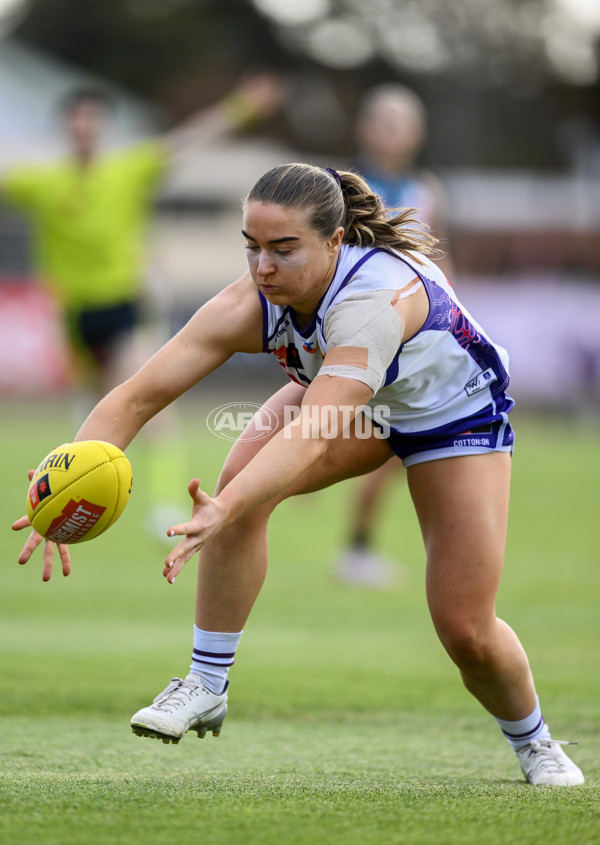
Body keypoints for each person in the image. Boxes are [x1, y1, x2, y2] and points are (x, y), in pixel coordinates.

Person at [13, 163, 584, 786]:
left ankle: (536, 743)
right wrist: (60, 485)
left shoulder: (372, 302)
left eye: (284, 249)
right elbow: (135, 398)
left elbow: (312, 434)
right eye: (252, 248)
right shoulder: (251, 298)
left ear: (335, 242)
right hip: (357, 400)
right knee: (239, 482)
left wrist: (226, 509)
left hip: (453, 416)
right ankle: (206, 682)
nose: (263, 268)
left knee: (465, 630)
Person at [1, 73, 284, 533]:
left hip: (124, 307)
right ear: (65, 127)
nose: (83, 128)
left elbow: (187, 141)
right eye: (76, 120)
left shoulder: (128, 169)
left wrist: (241, 109)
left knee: (150, 404)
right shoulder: (43, 182)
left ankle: (166, 504)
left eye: (91, 120)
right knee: (89, 414)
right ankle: (71, 497)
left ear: (103, 127)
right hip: (74, 316)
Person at [332, 83, 454, 589]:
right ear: (364, 129)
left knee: (403, 445)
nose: (390, 130)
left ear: (418, 133)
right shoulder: (344, 189)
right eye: (381, 120)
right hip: (365, 329)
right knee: (391, 441)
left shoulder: (427, 191)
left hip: (418, 334)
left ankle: (360, 549)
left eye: (399, 121)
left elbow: (438, 258)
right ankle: (356, 551)